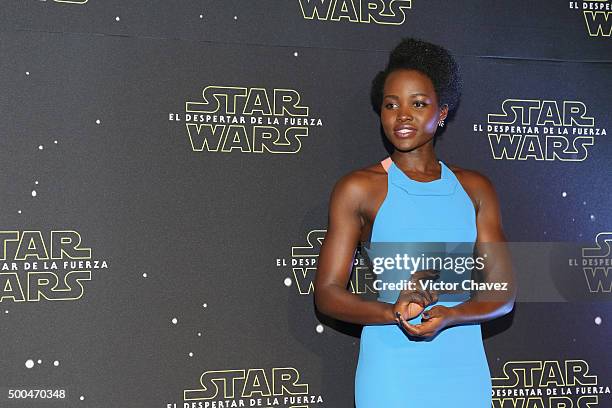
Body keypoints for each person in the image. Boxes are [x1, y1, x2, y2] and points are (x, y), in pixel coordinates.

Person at [314, 38, 516, 407]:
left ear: (442, 113)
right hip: (391, 368)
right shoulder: (359, 188)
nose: (402, 115)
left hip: (463, 366)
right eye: (391, 105)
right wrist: (392, 311)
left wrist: (452, 314)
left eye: (418, 103)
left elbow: (502, 292)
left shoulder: (475, 189)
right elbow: (327, 292)